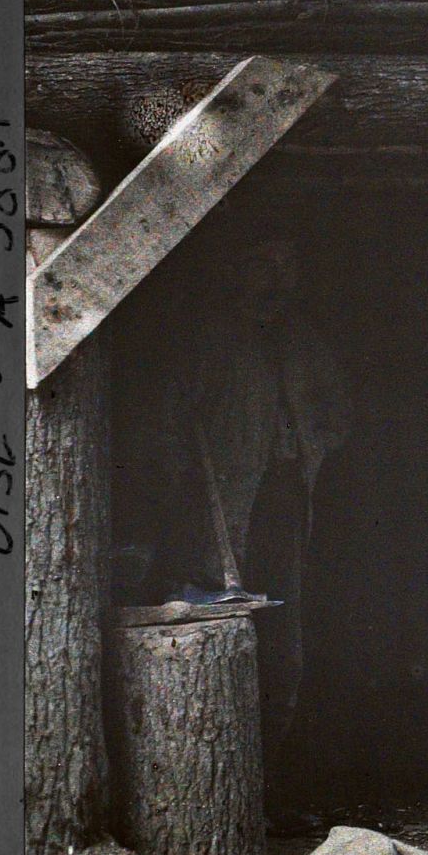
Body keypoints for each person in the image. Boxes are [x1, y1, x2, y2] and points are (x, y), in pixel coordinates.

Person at [158, 238, 352, 812]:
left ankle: (265, 785)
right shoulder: (208, 338)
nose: (275, 277)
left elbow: (338, 412)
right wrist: (190, 478)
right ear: (234, 270)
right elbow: (169, 427)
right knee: (220, 633)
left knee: (282, 648)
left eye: (287, 265)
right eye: (260, 261)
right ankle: (215, 796)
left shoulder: (304, 344)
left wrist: (309, 445)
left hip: (287, 499)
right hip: (217, 509)